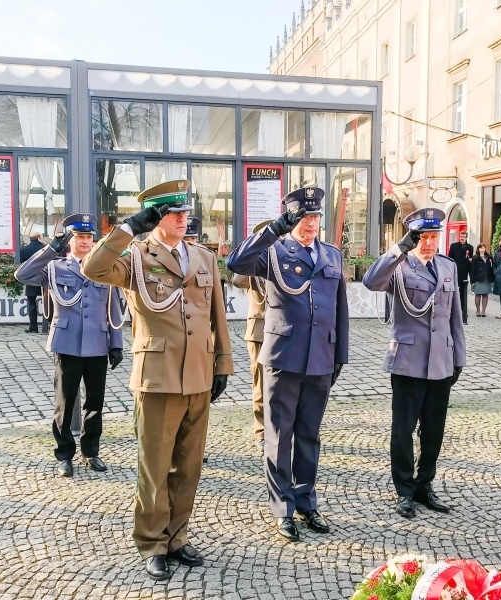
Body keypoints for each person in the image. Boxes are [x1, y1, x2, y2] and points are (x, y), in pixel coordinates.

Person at [81, 180, 233, 582]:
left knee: (189, 465)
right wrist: (128, 228)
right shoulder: (134, 257)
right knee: (155, 467)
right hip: (158, 377)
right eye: (174, 214)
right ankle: (152, 542)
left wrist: (222, 364)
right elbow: (92, 267)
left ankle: (177, 537)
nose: (184, 219)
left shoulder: (203, 256)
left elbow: (217, 314)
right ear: (156, 218)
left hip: (198, 376)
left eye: (186, 213)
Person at [226, 187, 349, 543]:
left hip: (320, 359)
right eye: (303, 218)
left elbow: (340, 310)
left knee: (309, 435)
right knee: (279, 437)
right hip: (283, 357)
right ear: (292, 219)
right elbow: (236, 263)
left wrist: (339, 355)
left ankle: (306, 501)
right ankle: (283, 509)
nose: (311, 224)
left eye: (315, 217)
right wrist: (275, 229)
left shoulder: (331, 255)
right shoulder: (274, 252)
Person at [362, 208, 466, 519]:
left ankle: (424, 486)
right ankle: (404, 491)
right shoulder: (399, 266)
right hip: (407, 363)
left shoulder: (447, 267)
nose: (431, 243)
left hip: (440, 362)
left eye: (435, 237)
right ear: (414, 237)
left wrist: (458, 357)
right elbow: (370, 281)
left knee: (434, 430)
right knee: (403, 430)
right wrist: (399, 248)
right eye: (425, 237)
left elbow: (456, 318)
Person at [14, 214, 124, 478]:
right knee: (65, 403)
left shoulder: (105, 268)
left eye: (89, 237)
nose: (85, 242)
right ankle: (64, 454)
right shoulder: (55, 267)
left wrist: (116, 344)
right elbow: (22, 274)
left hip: (98, 343)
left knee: (95, 403)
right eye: (80, 237)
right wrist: (51, 248)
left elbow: (114, 307)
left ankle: (91, 451)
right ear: (70, 240)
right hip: (67, 344)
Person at [230, 219, 272, 455]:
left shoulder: (280, 261)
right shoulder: (255, 266)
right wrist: (252, 252)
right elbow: (237, 279)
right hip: (258, 332)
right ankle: (261, 431)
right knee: (260, 384)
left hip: (281, 332)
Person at [19, 232, 46, 333]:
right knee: (48, 302)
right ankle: (49, 325)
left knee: (31, 303)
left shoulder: (24, 250)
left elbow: (21, 265)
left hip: (30, 278)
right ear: (39, 238)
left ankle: (33, 327)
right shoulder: (45, 248)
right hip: (44, 278)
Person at [447, 230, 473, 325]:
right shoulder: (454, 246)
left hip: (464, 272)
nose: (462, 238)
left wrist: (470, 273)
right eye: (461, 237)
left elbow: (470, 260)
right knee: (453, 290)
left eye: (464, 237)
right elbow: (449, 258)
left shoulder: (470, 247)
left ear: (466, 238)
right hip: (454, 271)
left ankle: (462, 309)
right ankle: (452, 307)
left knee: (463, 291)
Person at [470, 243, 494, 317]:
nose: (482, 249)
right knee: (478, 294)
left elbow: (492, 268)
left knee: (485, 294)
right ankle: (478, 310)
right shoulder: (475, 258)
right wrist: (472, 281)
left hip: (487, 278)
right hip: (478, 278)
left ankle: (483, 311)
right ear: (478, 249)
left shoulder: (489, 257)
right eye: (481, 248)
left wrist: (492, 279)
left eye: (483, 248)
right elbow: (472, 270)